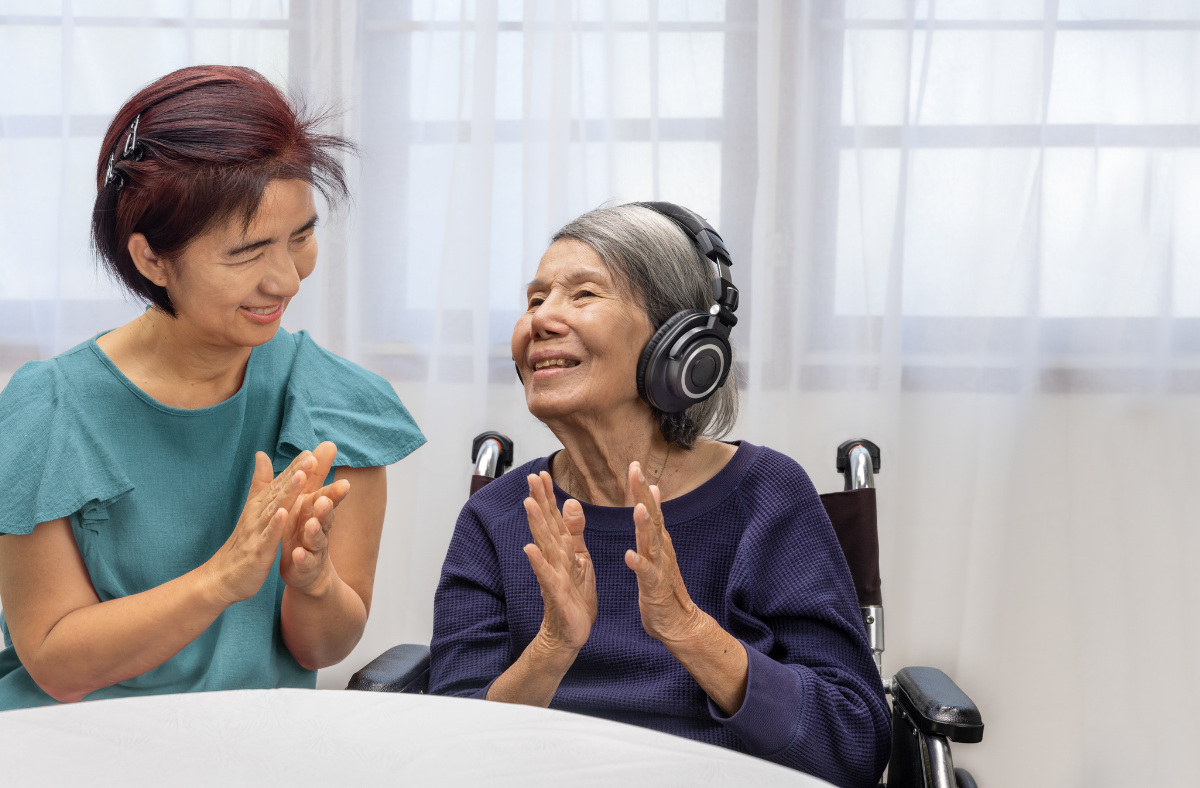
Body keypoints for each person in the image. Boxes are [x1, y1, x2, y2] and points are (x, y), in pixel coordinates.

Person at [0, 66, 424, 709]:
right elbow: (58, 666)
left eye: (301, 237)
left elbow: (321, 650)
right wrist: (224, 577)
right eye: (247, 252)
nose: (287, 280)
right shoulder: (49, 410)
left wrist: (312, 582)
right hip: (72, 742)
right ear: (151, 258)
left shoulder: (337, 403)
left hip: (251, 744)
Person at [428, 203, 890, 788]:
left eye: (584, 294)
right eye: (535, 299)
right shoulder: (495, 516)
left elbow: (853, 744)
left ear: (678, 341)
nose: (541, 318)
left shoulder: (768, 497)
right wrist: (553, 646)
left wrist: (688, 629)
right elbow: (451, 748)